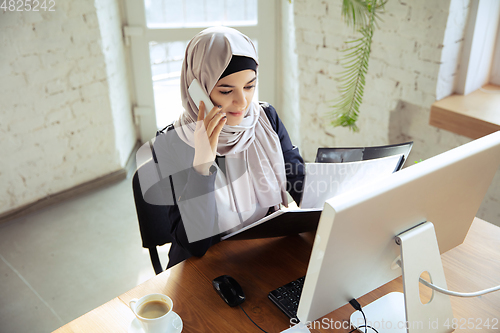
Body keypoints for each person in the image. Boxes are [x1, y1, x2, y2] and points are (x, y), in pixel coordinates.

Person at [153, 26, 304, 268]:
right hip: (205, 269)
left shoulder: (265, 119)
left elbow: (300, 183)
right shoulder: (173, 142)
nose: (242, 102)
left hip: (260, 252)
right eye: (226, 90)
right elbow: (196, 245)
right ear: (197, 89)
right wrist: (201, 165)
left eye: (249, 86)